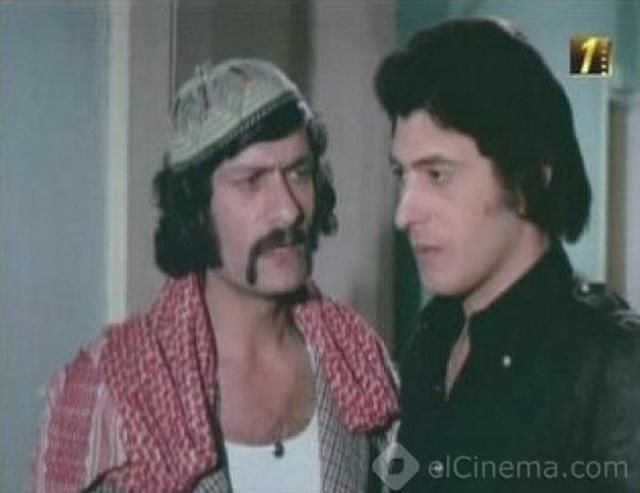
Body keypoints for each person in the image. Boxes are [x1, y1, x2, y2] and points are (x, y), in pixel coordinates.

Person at [30, 59, 398, 493]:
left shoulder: (356, 359)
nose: (288, 210)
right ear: (197, 209)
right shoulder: (108, 389)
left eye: (299, 173)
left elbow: (410, 477)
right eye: (252, 181)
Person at [373, 17, 640, 493]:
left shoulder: (612, 367)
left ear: (530, 175)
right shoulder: (431, 341)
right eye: (402, 175)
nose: (404, 214)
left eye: (437, 175)